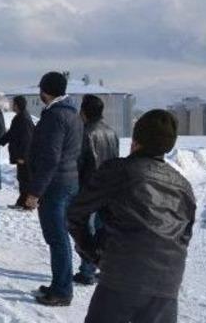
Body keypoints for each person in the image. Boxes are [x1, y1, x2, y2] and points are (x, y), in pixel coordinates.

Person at [69, 110, 195, 323]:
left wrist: (92, 252)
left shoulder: (118, 171)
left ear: (136, 140)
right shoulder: (183, 185)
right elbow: (185, 234)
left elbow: (76, 213)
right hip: (167, 282)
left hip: (122, 275)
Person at [22, 72, 83, 306]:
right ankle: (59, 282)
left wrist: (35, 192)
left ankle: (62, 291)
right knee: (59, 238)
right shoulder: (71, 113)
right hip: (68, 182)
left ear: (45, 91)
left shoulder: (55, 117)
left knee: (57, 239)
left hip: (55, 185)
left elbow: (50, 158)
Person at [73, 94, 119, 285]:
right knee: (105, 230)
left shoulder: (85, 133)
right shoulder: (111, 132)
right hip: (109, 187)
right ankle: (105, 267)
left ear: (84, 112)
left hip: (89, 187)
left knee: (86, 230)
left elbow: (79, 163)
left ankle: (87, 270)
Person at [0, 95, 35, 209]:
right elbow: (12, 133)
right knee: (22, 179)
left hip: (24, 157)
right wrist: (0, 141)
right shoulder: (19, 117)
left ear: (17, 105)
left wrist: (22, 156)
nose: (11, 105)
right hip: (21, 156)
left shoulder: (24, 119)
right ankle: (22, 202)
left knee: (26, 180)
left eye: (13, 103)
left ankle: (28, 204)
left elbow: (27, 139)